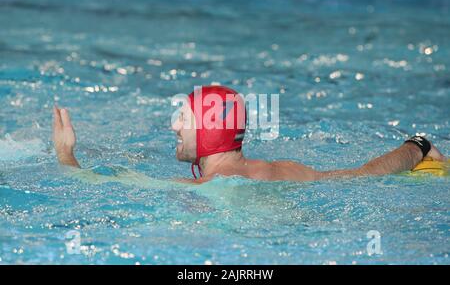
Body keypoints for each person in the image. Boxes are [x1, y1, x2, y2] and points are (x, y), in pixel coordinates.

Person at [53, 85, 446, 183]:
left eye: (184, 118)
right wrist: (419, 145)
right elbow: (365, 174)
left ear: (209, 130)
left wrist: (67, 155)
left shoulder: (198, 187)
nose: (173, 125)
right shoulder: (287, 171)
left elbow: (92, 184)